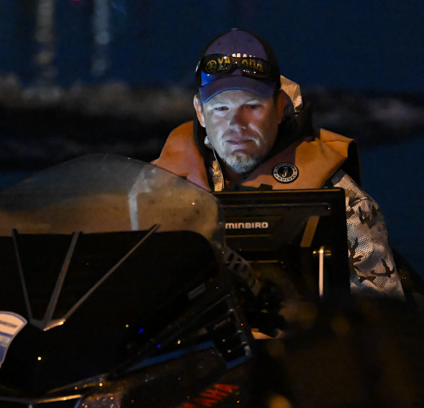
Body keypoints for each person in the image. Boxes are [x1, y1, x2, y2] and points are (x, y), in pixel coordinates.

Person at [153, 29, 404, 299]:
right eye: (221, 108)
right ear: (200, 112)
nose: (236, 124)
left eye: (252, 106)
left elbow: (383, 314)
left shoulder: (343, 199)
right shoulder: (156, 189)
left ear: (279, 107)